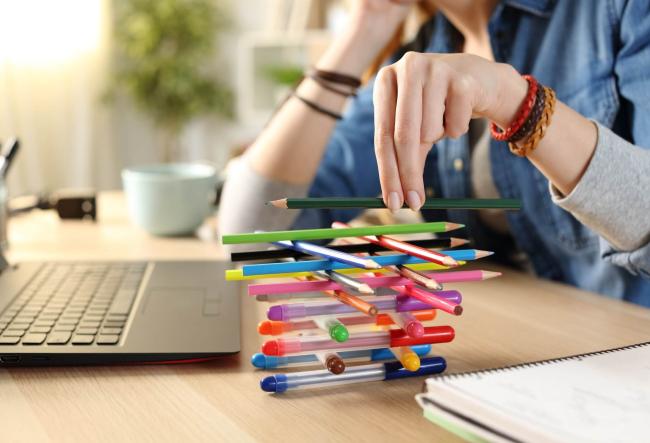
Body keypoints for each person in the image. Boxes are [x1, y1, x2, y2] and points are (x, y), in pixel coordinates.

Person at [220, 0, 650, 306]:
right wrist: (363, 29)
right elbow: (256, 240)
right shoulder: (420, 61)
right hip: (528, 362)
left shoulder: (617, 10)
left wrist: (515, 102)